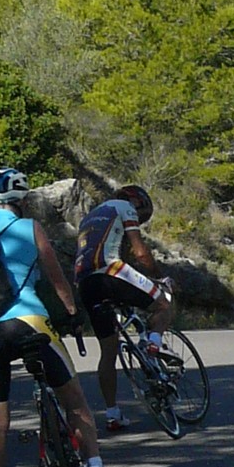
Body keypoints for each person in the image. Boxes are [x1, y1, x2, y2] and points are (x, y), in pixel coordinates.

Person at [0, 167, 116, 467]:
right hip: (30, 322)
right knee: (74, 399)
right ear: (22, 200)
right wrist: (72, 313)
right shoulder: (31, 227)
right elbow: (57, 278)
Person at [73, 185, 173, 433]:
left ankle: (112, 414)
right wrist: (160, 277)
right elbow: (140, 253)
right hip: (111, 270)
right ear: (137, 202)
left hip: (85, 283)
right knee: (164, 304)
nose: (140, 218)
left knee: (108, 351)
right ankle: (154, 343)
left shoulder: (88, 218)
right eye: (142, 215)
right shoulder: (124, 207)